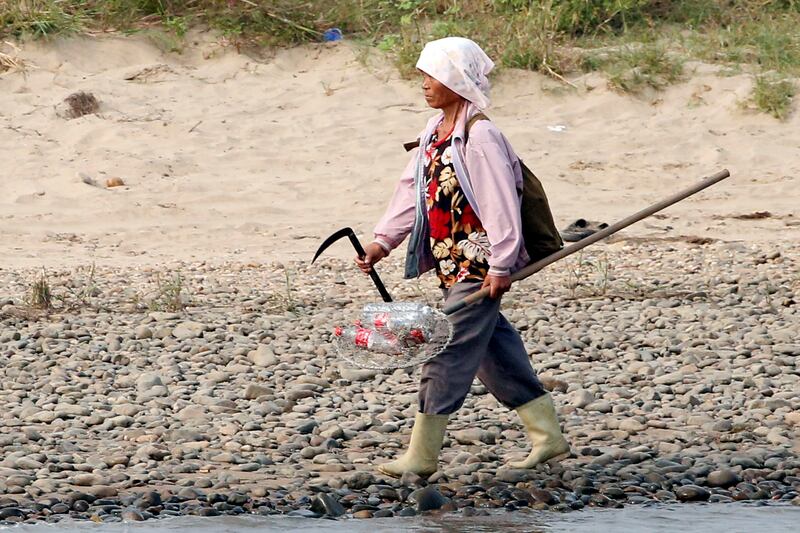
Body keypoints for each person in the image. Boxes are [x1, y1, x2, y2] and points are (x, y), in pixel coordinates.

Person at [355, 37, 569, 478]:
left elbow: (500, 205)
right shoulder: (433, 134)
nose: (425, 84)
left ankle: (422, 455)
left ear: (457, 80)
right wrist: (382, 241)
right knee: (494, 352)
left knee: (443, 349)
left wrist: (501, 264)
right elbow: (409, 193)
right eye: (423, 76)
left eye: (432, 75)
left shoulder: (481, 135)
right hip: (452, 266)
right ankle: (548, 439)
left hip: (480, 266)